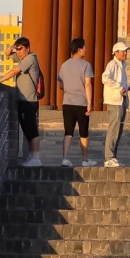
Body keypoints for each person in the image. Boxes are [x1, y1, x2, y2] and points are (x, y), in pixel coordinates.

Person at [0, 35, 44, 167]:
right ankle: (32, 156)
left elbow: (14, 71)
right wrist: (12, 47)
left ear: (28, 49)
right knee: (27, 129)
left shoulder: (30, 58)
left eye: (21, 49)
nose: (18, 52)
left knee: (32, 130)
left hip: (29, 100)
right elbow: (7, 54)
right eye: (17, 49)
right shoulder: (22, 58)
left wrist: (0, 80)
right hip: (23, 100)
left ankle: (36, 158)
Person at [57, 36, 94, 166]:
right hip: (81, 103)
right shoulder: (86, 65)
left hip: (67, 102)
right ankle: (85, 160)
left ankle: (65, 158)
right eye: (84, 47)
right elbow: (88, 84)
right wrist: (89, 103)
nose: (86, 50)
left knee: (68, 132)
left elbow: (61, 85)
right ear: (79, 49)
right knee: (84, 132)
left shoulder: (64, 65)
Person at [101, 39, 130, 167]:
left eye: (126, 51)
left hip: (121, 100)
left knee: (118, 130)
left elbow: (120, 84)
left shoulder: (122, 66)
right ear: (116, 52)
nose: (125, 54)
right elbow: (105, 78)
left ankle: (113, 157)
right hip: (114, 101)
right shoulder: (112, 64)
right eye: (123, 51)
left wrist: (128, 87)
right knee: (114, 129)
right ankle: (108, 157)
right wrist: (119, 87)